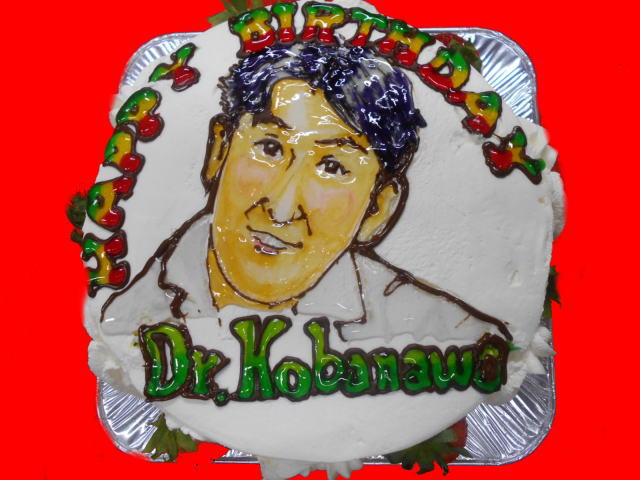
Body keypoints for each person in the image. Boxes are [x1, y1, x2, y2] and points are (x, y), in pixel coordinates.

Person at [101, 43, 511, 344]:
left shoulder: (451, 338)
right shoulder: (122, 318)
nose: (281, 210)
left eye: (333, 167)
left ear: (378, 209)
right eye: (269, 148)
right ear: (219, 152)